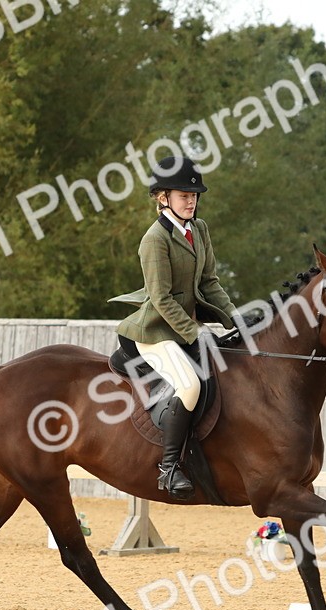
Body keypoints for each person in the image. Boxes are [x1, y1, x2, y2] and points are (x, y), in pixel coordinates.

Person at [110, 156, 238, 499]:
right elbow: (162, 300)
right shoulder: (154, 240)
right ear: (162, 198)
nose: (192, 200)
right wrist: (196, 334)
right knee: (191, 385)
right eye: (184, 195)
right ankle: (169, 468)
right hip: (154, 332)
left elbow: (210, 282)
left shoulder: (199, 229)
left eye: (195, 195)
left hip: (183, 327)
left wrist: (234, 318)